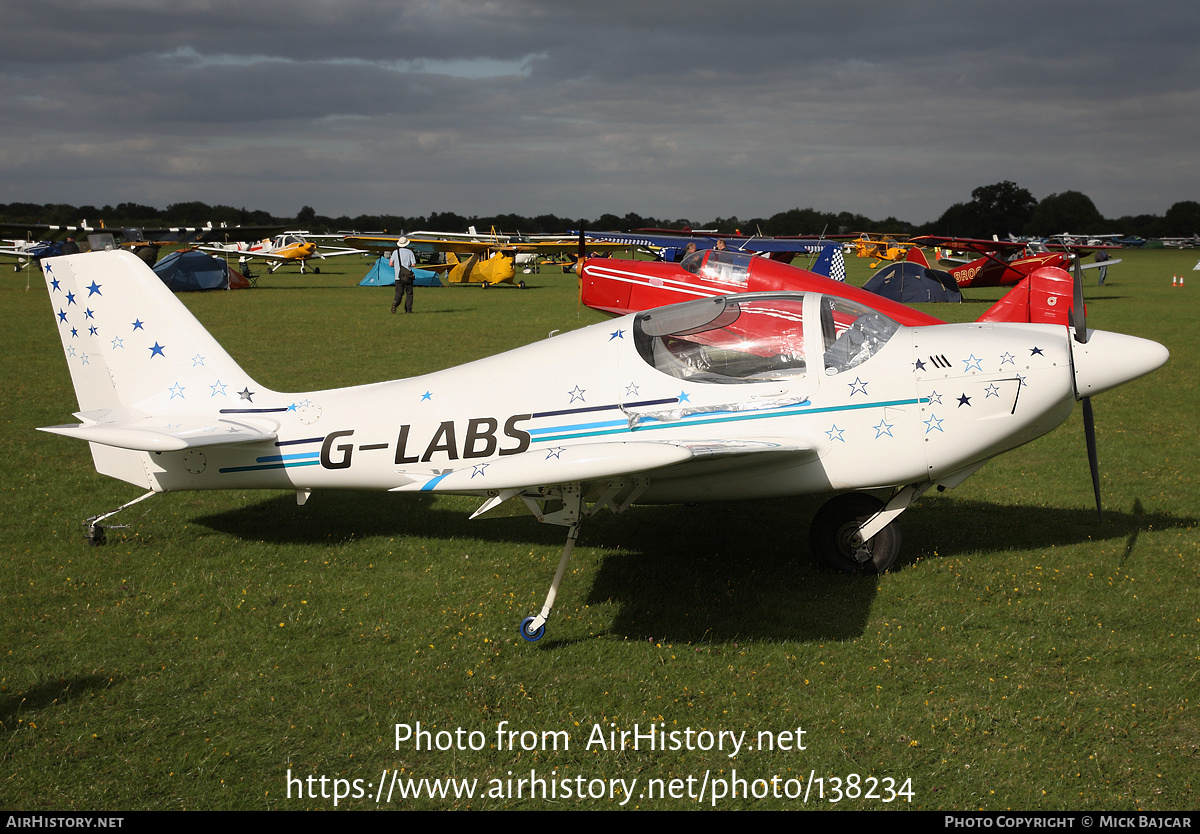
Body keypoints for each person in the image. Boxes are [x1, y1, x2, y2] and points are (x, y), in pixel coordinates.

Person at [389, 237, 416, 314]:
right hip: (407, 276)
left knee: (399, 292)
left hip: (398, 276)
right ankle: (408, 310)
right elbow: (413, 264)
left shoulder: (395, 252)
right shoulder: (410, 252)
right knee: (409, 293)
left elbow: (390, 264)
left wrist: (397, 266)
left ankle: (395, 302)